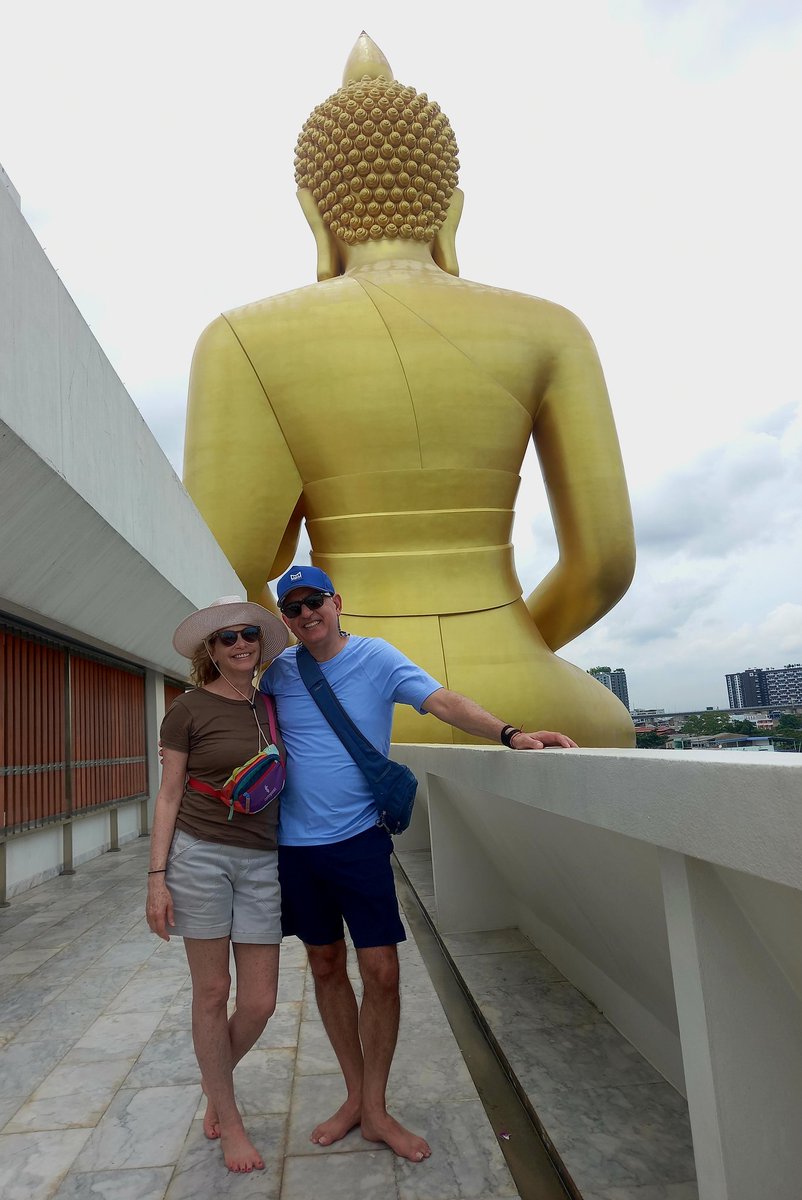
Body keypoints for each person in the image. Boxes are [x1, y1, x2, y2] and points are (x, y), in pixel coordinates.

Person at [182, 33, 636, 749]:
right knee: (605, 723)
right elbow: (605, 565)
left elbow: (231, 566)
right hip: (530, 692)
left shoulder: (243, 337)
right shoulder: (553, 329)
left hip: (344, 695)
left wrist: (308, 665)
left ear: (315, 215)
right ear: (450, 210)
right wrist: (509, 645)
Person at [262, 563, 577, 1163]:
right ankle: (356, 1097)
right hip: (295, 847)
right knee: (325, 965)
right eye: (294, 608)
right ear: (285, 617)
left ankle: (376, 1108)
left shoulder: (376, 658)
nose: (307, 614)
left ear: (337, 602)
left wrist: (511, 734)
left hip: (359, 841)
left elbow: (443, 701)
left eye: (315, 602)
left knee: (381, 971)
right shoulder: (278, 672)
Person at [146, 596, 289, 1173]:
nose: (239, 645)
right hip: (199, 856)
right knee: (212, 992)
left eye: (248, 635)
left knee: (260, 1001)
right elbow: (170, 794)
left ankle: (214, 1082)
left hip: (262, 859)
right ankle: (228, 1118)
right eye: (227, 638)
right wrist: (157, 879)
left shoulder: (271, 706)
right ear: (211, 649)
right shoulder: (186, 709)